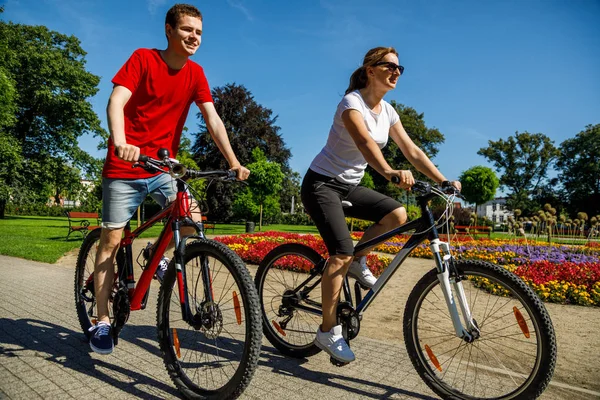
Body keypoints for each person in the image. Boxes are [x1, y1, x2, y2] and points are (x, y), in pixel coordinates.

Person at [89, 3, 250, 355]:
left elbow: (213, 120)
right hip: (125, 165)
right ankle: (101, 322)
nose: (194, 37)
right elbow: (116, 101)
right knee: (111, 242)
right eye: (187, 30)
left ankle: (154, 253)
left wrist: (234, 161)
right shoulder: (143, 59)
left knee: (192, 220)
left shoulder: (196, 73)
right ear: (168, 30)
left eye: (199, 32)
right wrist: (120, 141)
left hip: (163, 167)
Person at [301, 46, 461, 364]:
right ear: (370, 70)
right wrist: (387, 171)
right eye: (389, 66)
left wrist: (444, 180)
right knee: (340, 254)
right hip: (321, 184)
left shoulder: (388, 111)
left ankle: (359, 262)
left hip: (348, 185)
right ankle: (328, 331)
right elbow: (364, 142)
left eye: (400, 68)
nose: (396, 72)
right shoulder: (352, 103)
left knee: (397, 214)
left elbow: (412, 150)